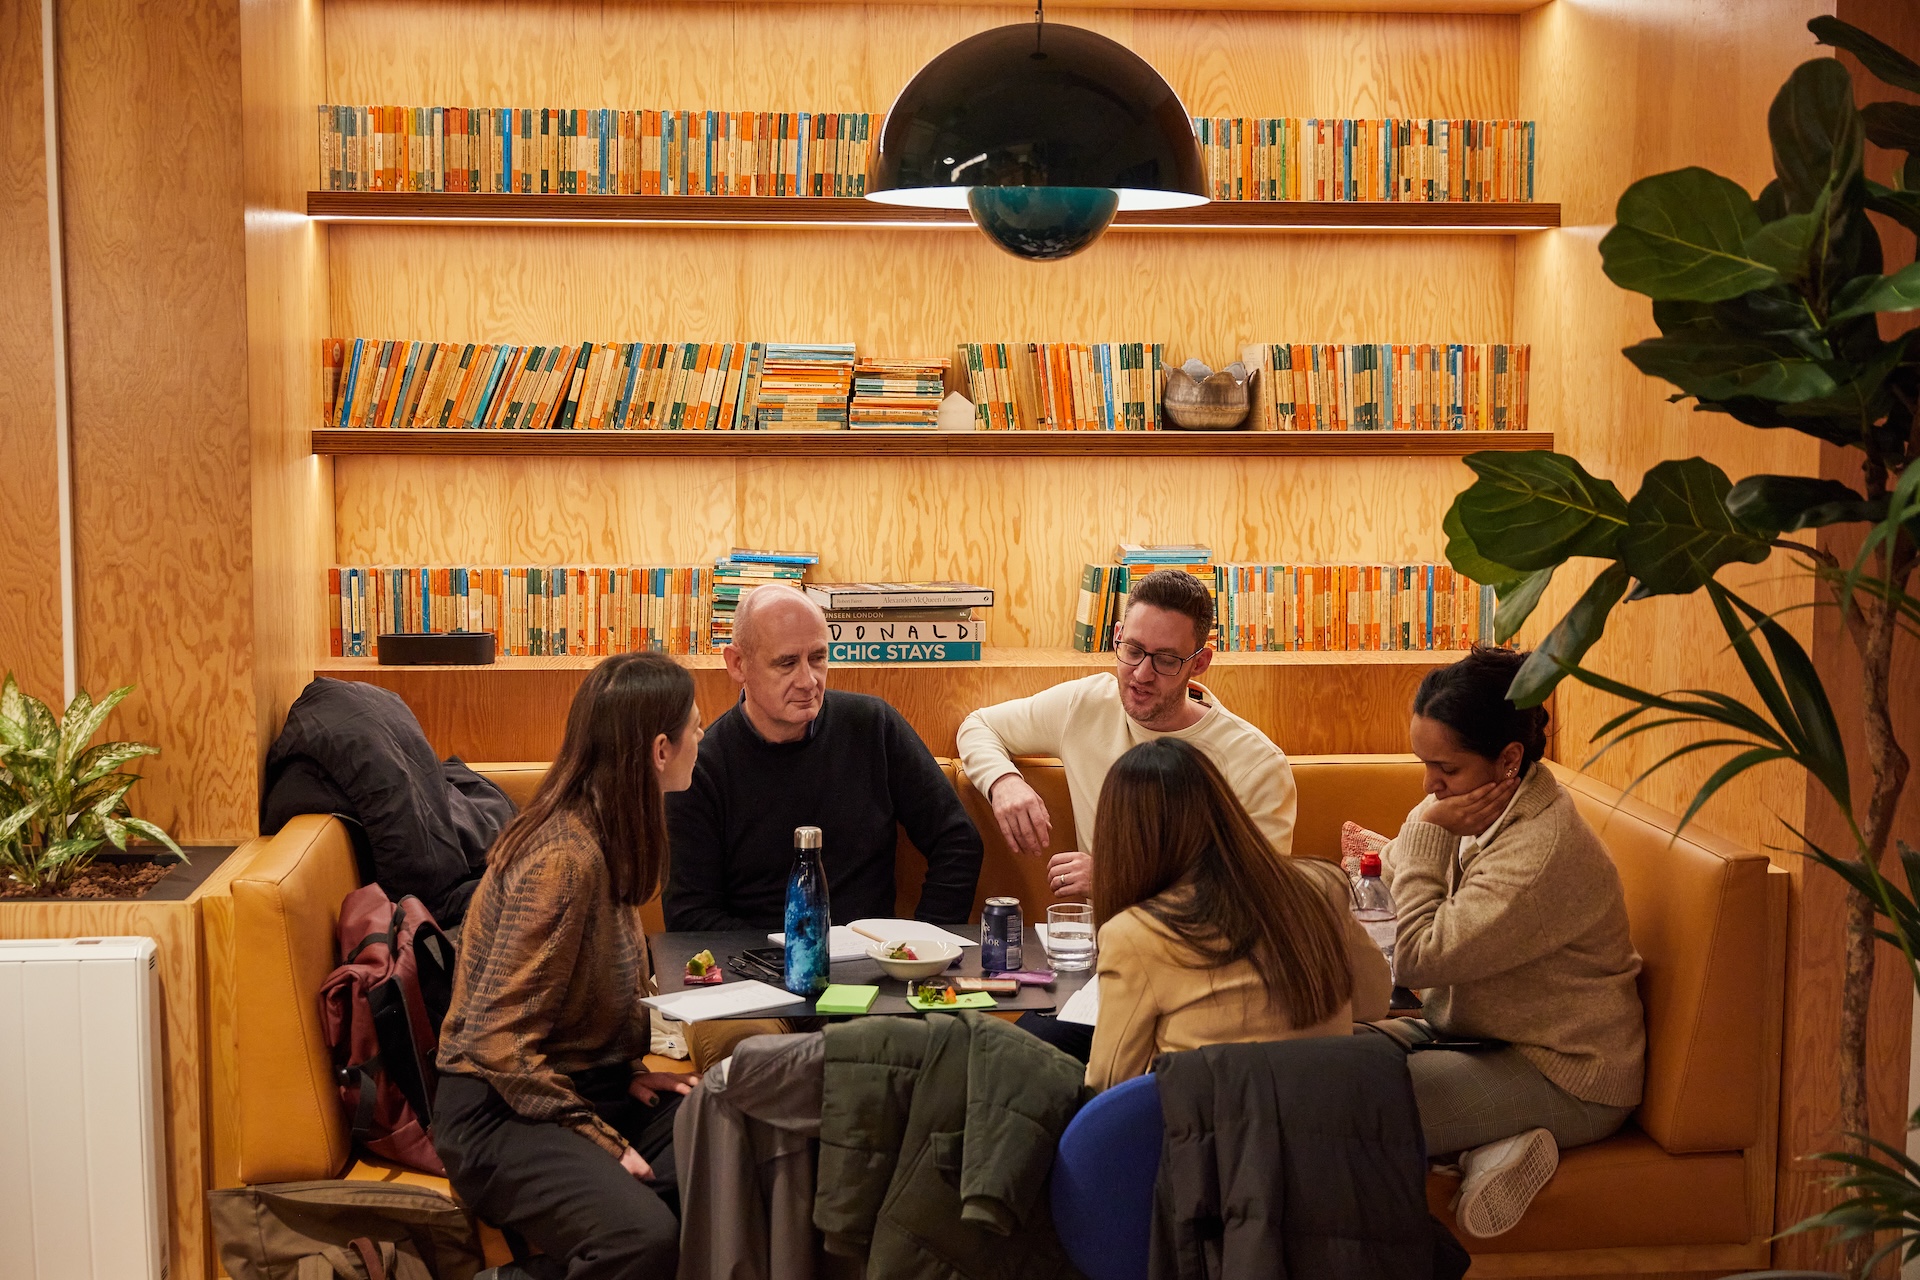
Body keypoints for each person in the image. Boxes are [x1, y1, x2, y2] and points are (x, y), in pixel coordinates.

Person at [434, 651, 705, 1280]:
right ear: (660, 750)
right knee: (643, 1240)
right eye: (697, 725)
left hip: (570, 1085)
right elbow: (497, 1042)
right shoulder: (563, 859)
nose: (703, 737)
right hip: (496, 1111)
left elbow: (575, 1007)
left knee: (729, 1135)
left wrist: (625, 1070)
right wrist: (601, 1136)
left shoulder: (608, 833)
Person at [1380, 645, 1645, 1241]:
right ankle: (1491, 1143)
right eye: (1423, 764)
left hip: (1565, 1074)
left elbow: (1414, 952)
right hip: (1474, 1034)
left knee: (1353, 1105)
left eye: (1444, 769)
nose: (1429, 785)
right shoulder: (1478, 810)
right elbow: (1385, 888)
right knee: (1322, 1057)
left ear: (1508, 761)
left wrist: (1424, 830)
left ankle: (1492, 1137)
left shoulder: (1540, 849)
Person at [665, 584, 984, 1068]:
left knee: (912, 1048)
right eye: (786, 663)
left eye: (818, 657)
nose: (809, 679)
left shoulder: (872, 726)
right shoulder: (702, 766)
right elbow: (689, 915)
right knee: (750, 1054)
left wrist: (919, 947)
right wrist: (793, 962)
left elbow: (957, 841)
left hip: (871, 973)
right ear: (737, 665)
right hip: (754, 979)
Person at [958, 568, 1296, 906]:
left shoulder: (1256, 763)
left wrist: (1115, 879)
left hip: (1199, 953)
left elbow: (1256, 900)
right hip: (1100, 947)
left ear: (1200, 662)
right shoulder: (1086, 705)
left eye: (1166, 660)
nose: (1141, 674)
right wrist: (1003, 782)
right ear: (1118, 636)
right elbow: (978, 726)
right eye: (1133, 650)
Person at [1085, 738, 1391, 1091]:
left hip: (1214, 1138)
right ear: (1225, 808)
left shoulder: (1134, 934)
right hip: (1334, 1128)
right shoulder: (1320, 887)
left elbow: (1108, 1084)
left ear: (1120, 839)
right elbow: (1373, 1001)